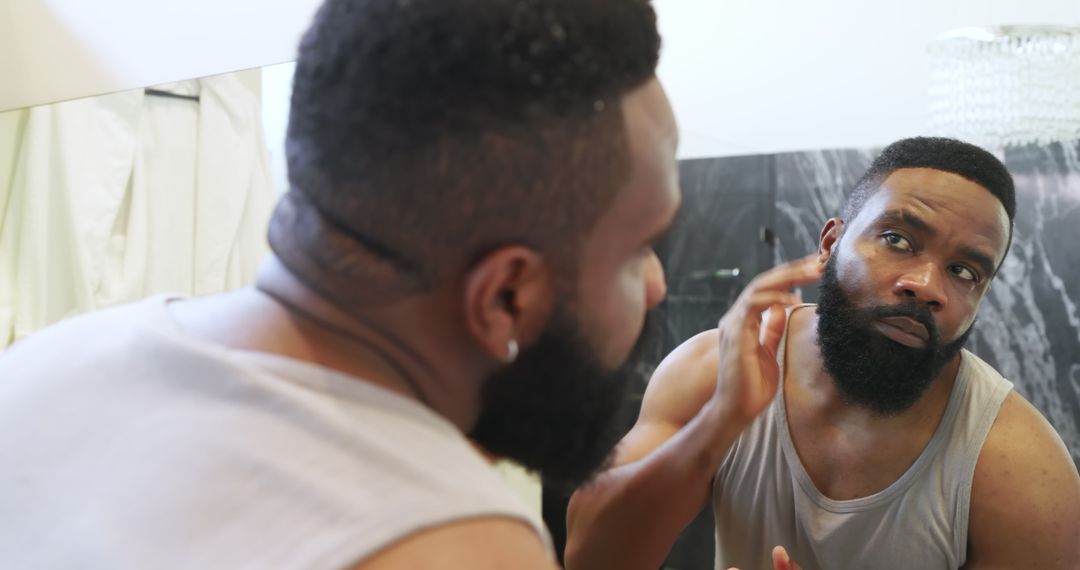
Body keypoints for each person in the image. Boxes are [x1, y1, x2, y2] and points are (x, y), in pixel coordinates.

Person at [0, 0, 819, 568]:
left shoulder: (47, 367)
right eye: (640, 248)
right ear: (504, 297)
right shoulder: (453, 547)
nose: (654, 286)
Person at [565, 137, 1080, 570]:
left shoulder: (1019, 467)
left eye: (965, 271)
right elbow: (592, 559)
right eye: (898, 239)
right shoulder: (710, 369)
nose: (926, 286)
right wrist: (720, 422)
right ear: (830, 243)